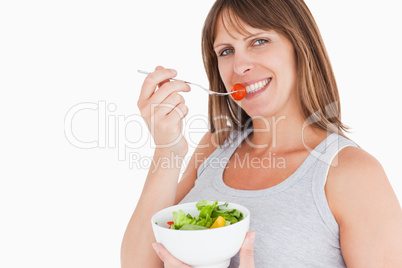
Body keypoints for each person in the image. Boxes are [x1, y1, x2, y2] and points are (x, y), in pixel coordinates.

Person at [121, 0, 402, 267]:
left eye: (259, 41)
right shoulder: (215, 146)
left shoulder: (352, 173)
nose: (239, 67)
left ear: (300, 46)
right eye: (226, 51)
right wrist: (167, 150)